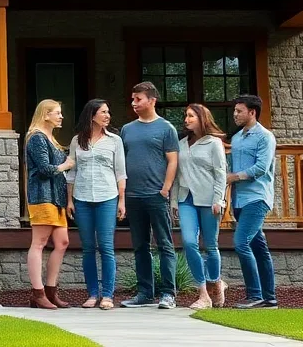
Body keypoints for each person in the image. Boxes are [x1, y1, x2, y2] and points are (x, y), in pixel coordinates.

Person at [118, 81, 180, 309]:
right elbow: (122, 163)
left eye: (138, 99)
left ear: (152, 100)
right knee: (140, 246)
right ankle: (145, 293)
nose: (134, 103)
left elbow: (173, 160)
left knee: (164, 244)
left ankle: (168, 294)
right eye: (133, 99)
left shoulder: (166, 129)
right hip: (133, 196)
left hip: (156, 195)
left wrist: (165, 189)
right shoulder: (127, 129)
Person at [67, 99, 126, 310]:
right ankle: (92, 293)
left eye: (108, 112)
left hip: (107, 197)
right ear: (92, 115)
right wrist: (69, 200)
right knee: (88, 248)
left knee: (106, 247)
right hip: (82, 199)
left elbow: (120, 172)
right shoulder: (77, 141)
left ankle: (108, 295)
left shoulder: (115, 141)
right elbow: (71, 173)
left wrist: (122, 200)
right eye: (103, 112)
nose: (108, 116)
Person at [175, 103, 228, 309]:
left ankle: (216, 283)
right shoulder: (181, 144)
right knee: (189, 242)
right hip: (185, 198)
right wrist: (173, 201)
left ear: (202, 118)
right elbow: (178, 175)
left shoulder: (214, 143)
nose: (186, 119)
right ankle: (203, 293)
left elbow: (220, 173)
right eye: (185, 116)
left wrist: (218, 199)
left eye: (191, 116)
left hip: (209, 200)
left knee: (211, 245)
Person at [227, 95, 278, 308]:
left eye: (239, 111)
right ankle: (270, 298)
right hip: (239, 200)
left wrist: (234, 177)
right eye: (235, 111)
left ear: (252, 112)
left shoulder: (265, 137)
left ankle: (255, 295)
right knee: (259, 247)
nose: (235, 114)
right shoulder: (237, 138)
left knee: (241, 243)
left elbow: (261, 168)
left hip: (257, 198)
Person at [24, 98, 75, 309]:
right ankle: (38, 293)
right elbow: (45, 170)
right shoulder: (36, 138)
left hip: (57, 198)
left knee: (62, 242)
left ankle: (51, 291)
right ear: (45, 114)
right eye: (57, 112)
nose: (61, 116)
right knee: (39, 242)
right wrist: (66, 165)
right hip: (42, 196)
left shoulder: (50, 138)